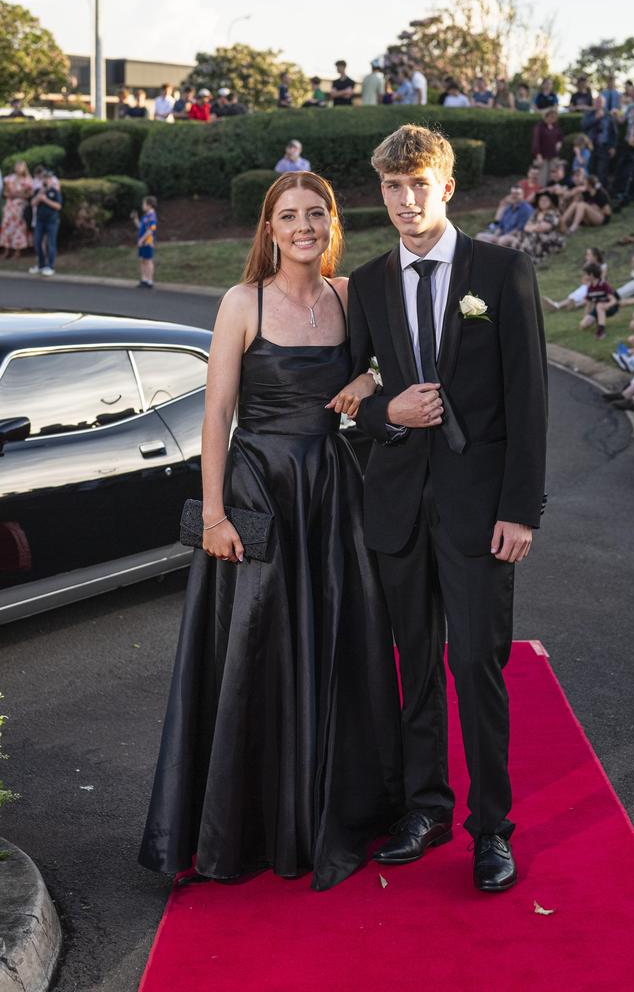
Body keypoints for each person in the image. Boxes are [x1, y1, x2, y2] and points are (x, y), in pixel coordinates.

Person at [139, 171, 403, 891]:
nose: (303, 226)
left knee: (337, 646)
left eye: (316, 213)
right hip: (260, 496)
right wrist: (216, 513)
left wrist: (370, 383)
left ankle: (326, 808)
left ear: (332, 223)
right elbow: (216, 412)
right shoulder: (241, 301)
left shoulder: (351, 296)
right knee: (252, 655)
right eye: (289, 216)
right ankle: (245, 827)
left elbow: (393, 365)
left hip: (331, 493)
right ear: (269, 229)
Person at [347, 124, 547, 892]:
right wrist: (385, 412)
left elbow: (528, 399)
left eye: (417, 185)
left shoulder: (500, 273)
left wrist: (522, 510)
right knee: (418, 668)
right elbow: (349, 395)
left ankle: (491, 829)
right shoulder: (365, 283)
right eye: (392, 188)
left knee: (476, 664)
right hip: (397, 507)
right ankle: (426, 810)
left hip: (480, 511)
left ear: (447, 187)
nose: (404, 201)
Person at [542, 246, 606, 311]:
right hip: (586, 286)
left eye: (589, 255)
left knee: (582, 295)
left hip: (596, 288)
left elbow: (602, 281)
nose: (586, 257)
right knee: (575, 295)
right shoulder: (588, 266)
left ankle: (563, 305)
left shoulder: (602, 266)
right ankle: (558, 305)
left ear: (595, 256)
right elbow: (583, 280)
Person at [27, 170, 61, 277]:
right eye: (44, 178)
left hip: (52, 221)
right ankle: (41, 265)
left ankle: (50, 266)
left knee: (51, 244)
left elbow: (58, 206)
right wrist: (40, 195)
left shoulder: (55, 192)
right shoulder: (38, 191)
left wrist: (45, 200)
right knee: (37, 243)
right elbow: (32, 203)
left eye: (48, 178)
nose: (46, 180)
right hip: (40, 221)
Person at [518, 191, 565, 264]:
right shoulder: (535, 213)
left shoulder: (553, 213)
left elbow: (543, 228)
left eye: (545, 200)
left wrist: (533, 227)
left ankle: (528, 260)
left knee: (531, 235)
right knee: (521, 234)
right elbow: (525, 227)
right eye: (541, 200)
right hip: (537, 237)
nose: (543, 202)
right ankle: (522, 258)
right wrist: (535, 227)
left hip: (551, 240)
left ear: (551, 202)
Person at [0, 160, 33, 260]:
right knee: (6, 226)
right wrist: (9, 195)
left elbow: (29, 194)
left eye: (21, 167)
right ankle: (6, 250)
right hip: (9, 205)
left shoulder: (27, 180)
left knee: (18, 227)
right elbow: (5, 193)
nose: (18, 169)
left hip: (20, 205)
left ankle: (17, 251)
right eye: (17, 166)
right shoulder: (10, 179)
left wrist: (18, 195)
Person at [582, 96, 618, 186]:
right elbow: (583, 125)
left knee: (602, 171)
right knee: (591, 169)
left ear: (604, 104)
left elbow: (614, 133)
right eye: (597, 102)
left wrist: (613, 146)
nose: (598, 104)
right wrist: (595, 118)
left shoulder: (608, 115)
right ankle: (590, 190)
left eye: (600, 102)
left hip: (604, 147)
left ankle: (601, 192)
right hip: (591, 146)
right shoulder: (589, 114)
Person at [579, 262, 619, 338]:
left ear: (591, 275)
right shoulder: (590, 288)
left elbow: (614, 301)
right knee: (583, 325)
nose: (584, 277)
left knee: (599, 305)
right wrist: (585, 317)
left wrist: (607, 305)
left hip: (610, 308)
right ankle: (598, 319)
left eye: (585, 274)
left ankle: (601, 331)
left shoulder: (603, 285)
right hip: (598, 309)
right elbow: (588, 304)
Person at [131, 195, 157, 289]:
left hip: (148, 242)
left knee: (148, 260)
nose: (142, 206)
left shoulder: (152, 216)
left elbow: (151, 230)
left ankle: (150, 281)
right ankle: (144, 280)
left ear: (149, 205)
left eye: (144, 204)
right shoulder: (145, 216)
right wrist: (135, 219)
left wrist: (142, 239)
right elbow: (140, 227)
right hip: (142, 242)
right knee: (142, 260)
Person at [532, 108, 563, 185]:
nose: (553, 119)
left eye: (555, 117)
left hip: (553, 155)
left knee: (552, 175)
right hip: (543, 155)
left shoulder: (556, 127)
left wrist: (559, 143)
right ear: (546, 117)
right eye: (551, 117)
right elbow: (536, 142)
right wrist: (538, 155)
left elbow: (560, 137)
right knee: (542, 176)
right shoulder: (539, 127)